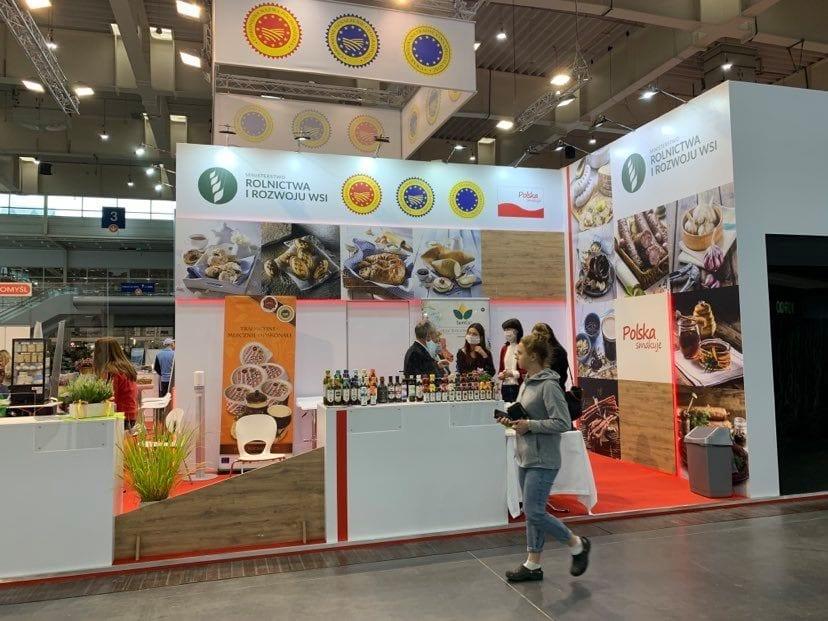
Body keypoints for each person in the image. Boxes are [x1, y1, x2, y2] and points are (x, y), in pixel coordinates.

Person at [498, 333, 590, 582]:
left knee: (534, 511)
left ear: (534, 356)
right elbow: (528, 416)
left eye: (520, 353)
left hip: (543, 458)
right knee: (532, 512)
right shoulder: (527, 383)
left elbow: (562, 421)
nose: (516, 356)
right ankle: (533, 564)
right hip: (526, 454)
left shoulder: (549, 386)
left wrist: (530, 425)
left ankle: (577, 544)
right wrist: (514, 422)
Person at [94, 337, 138, 430]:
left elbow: (110, 397)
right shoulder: (125, 367)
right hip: (130, 414)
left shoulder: (112, 371)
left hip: (119, 416)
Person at [532, 322, 569, 391]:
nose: (536, 339)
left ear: (548, 336)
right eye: (534, 336)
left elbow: (555, 376)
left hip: (554, 390)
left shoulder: (556, 351)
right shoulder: (540, 351)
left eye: (539, 335)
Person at [498, 319, 525, 402]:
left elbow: (526, 370)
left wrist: (512, 373)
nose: (506, 332)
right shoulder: (504, 348)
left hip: (518, 386)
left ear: (516, 331)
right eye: (505, 330)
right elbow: (501, 369)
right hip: (505, 386)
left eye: (508, 329)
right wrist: (501, 375)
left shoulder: (523, 347)